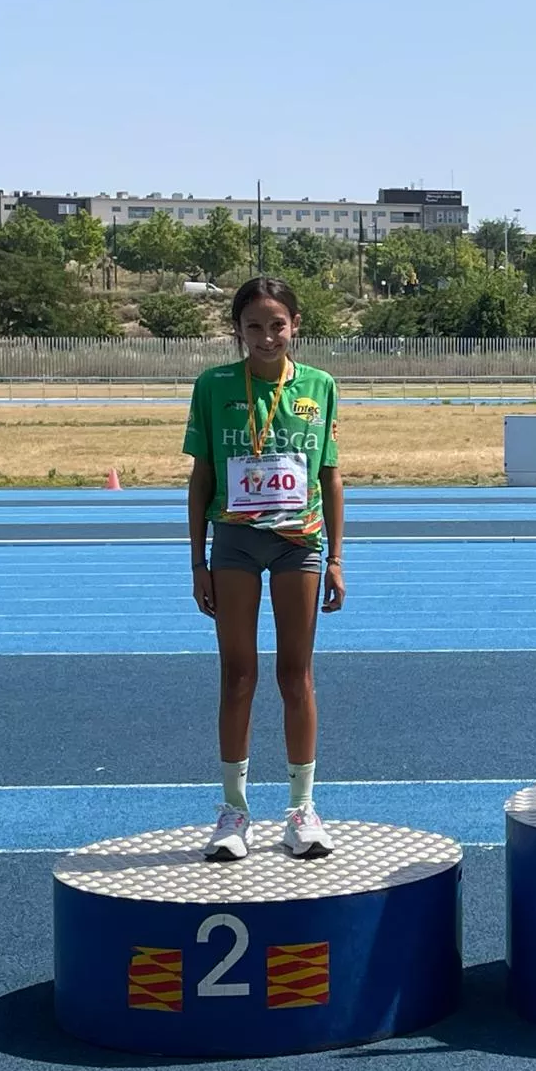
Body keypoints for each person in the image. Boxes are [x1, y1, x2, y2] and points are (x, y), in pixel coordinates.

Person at [184, 277, 346, 861]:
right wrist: (197, 559)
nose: (266, 336)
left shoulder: (319, 386)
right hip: (233, 541)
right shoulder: (214, 385)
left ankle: (302, 809)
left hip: (297, 543)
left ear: (295, 325)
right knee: (237, 675)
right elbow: (201, 478)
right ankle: (233, 811)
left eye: (277, 325)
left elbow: (329, 475)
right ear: (238, 330)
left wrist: (336, 558)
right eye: (253, 326)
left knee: (296, 676)